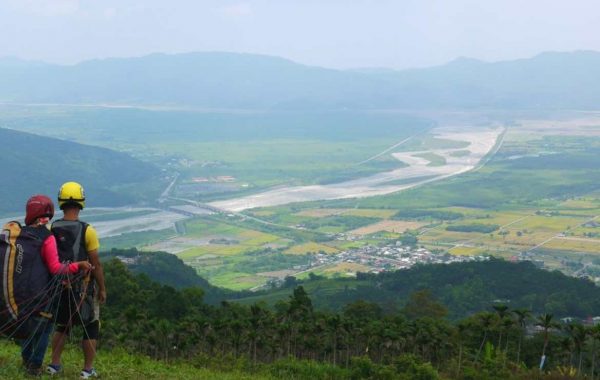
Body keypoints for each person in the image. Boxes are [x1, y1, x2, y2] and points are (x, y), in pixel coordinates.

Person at [1, 195, 91, 376]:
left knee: (28, 325)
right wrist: (78, 265)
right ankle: (34, 366)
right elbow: (56, 268)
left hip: (22, 293)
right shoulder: (47, 236)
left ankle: (27, 361)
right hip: (41, 293)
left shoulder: (22, 233)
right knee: (44, 327)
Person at [46, 182, 106, 379]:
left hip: (59, 286)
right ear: (82, 202)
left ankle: (54, 365)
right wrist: (102, 288)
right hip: (83, 287)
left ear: (61, 201)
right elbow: (96, 263)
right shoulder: (88, 230)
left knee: (62, 325)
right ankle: (87, 369)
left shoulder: (51, 228)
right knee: (91, 325)